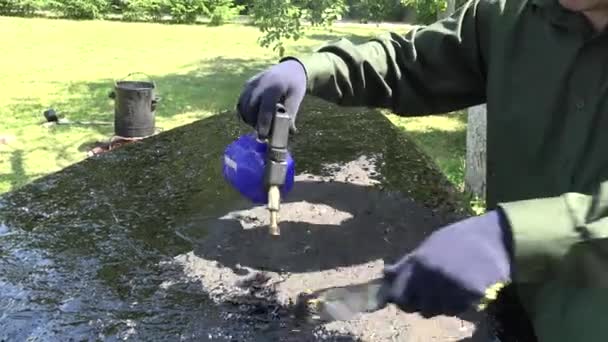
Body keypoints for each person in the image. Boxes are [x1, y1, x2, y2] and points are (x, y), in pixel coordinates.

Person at [235, 0, 608, 340]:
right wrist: (314, 69)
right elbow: (410, 62)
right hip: (521, 304)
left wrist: (514, 237)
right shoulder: (510, 15)